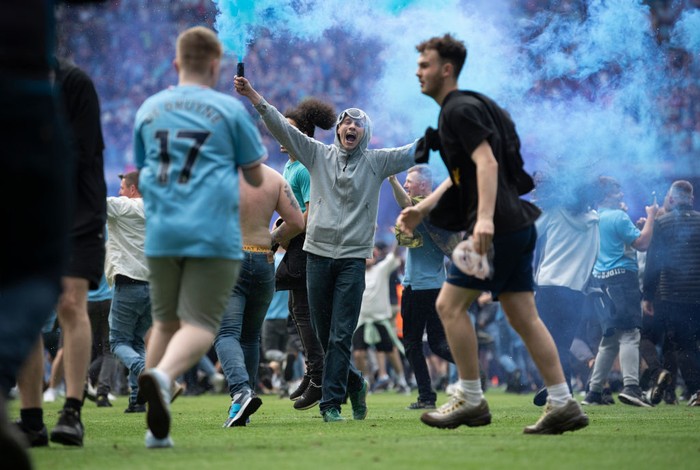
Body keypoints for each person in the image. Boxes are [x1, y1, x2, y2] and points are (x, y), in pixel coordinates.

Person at [397, 33, 588, 434]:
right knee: (525, 317)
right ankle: (563, 403)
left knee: (449, 306)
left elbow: (486, 164)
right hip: (516, 225)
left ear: (446, 69)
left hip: (497, 226)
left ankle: (470, 398)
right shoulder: (469, 106)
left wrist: (483, 221)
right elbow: (460, 175)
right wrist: (422, 209)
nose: (418, 71)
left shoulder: (458, 110)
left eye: (425, 64)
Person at [234, 75, 418, 422]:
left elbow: (414, 151)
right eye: (345, 123)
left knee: (340, 334)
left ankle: (330, 404)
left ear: (365, 133)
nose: (350, 127)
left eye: (357, 125)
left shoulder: (377, 162)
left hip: (351, 260)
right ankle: (356, 383)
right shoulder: (316, 155)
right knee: (322, 336)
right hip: (316, 257)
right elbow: (280, 127)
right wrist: (252, 94)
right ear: (336, 131)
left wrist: (447, 126)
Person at [133, 26, 266, 448]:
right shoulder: (229, 111)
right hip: (211, 231)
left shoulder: (148, 109)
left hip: (161, 231)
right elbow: (256, 176)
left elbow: (143, 169)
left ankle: (156, 432)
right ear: (215, 65)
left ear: (175, 64)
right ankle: (162, 377)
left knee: (165, 322)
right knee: (203, 325)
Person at [15, 56, 108, 448]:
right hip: (23, 213)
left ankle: (72, 412)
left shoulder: (74, 81)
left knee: (71, 303)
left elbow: (82, 152)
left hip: (77, 210)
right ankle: (31, 419)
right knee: (26, 315)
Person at [214, 163, 304, 427]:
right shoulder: (274, 178)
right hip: (264, 260)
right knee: (250, 336)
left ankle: (241, 392)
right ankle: (243, 410)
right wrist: (271, 239)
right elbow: (297, 222)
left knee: (225, 332)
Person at [275, 98, 335, 411]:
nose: (281, 135)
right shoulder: (290, 165)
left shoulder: (306, 168)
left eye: (289, 130)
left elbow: (310, 216)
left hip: (309, 244)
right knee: (297, 310)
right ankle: (315, 372)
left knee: (304, 312)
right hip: (297, 242)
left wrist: (280, 234)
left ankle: (320, 376)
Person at [582, 176, 657, 407]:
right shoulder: (618, 217)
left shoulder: (592, 218)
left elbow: (616, 241)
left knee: (609, 339)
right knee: (630, 334)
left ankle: (593, 393)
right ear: (605, 194)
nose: (621, 195)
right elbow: (642, 243)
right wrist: (652, 216)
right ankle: (632, 387)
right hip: (622, 281)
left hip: (600, 283)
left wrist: (633, 228)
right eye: (616, 191)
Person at [388, 165, 455, 409]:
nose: (406, 184)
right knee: (437, 343)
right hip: (437, 286)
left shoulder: (425, 209)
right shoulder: (442, 213)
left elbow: (407, 204)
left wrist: (391, 179)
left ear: (424, 186)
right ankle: (473, 369)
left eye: (409, 181)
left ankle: (426, 397)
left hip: (417, 287)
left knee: (413, 343)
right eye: (404, 181)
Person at [530, 177, 600, 405]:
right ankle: (555, 387)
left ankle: (561, 390)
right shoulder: (594, 220)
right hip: (577, 291)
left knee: (548, 342)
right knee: (561, 343)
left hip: (549, 287)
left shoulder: (554, 212)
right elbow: (594, 256)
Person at [642, 180, 700, 406]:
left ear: (672, 199)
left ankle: (697, 391)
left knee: (684, 345)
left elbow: (653, 262)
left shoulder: (663, 224)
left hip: (674, 296)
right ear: (691, 198)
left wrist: (647, 295)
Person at [105, 171, 152, 413]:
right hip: (153, 287)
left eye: (122, 187)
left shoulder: (123, 206)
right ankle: (136, 400)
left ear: (133, 189)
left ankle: (148, 373)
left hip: (129, 284)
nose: (120, 192)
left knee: (118, 342)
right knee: (137, 341)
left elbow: (93, 203)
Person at [352, 243, 410, 394]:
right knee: (358, 354)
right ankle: (365, 382)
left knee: (390, 350)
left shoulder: (381, 269)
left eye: (371, 254)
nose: (368, 257)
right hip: (362, 320)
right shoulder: (354, 273)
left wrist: (398, 238)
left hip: (380, 319)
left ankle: (402, 381)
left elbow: (394, 255)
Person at [86, 273, 118, 407]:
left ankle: (80, 386)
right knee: (109, 350)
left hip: (87, 300)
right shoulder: (110, 251)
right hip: (108, 301)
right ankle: (102, 393)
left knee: (83, 346)